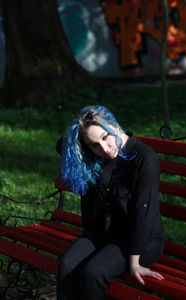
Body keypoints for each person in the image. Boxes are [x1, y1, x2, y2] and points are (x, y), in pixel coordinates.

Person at [56, 105, 164, 300]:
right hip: (106, 231)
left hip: (140, 240)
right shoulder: (96, 157)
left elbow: (143, 211)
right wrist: (79, 136)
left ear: (113, 125)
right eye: (94, 145)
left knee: (93, 273)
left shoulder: (144, 158)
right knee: (66, 266)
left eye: (105, 137)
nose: (104, 149)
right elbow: (62, 145)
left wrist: (134, 262)